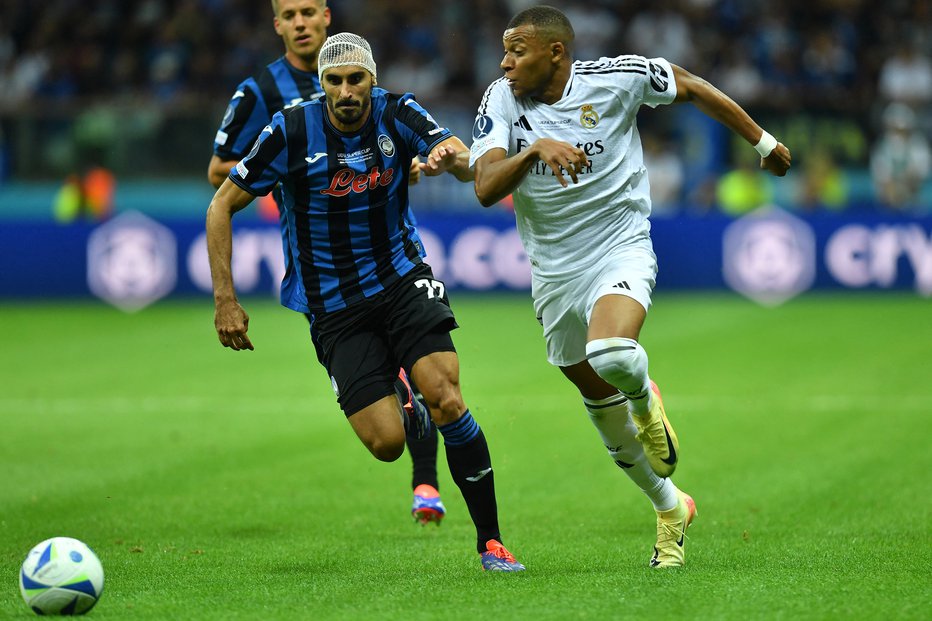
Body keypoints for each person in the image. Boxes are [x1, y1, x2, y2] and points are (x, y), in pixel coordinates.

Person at [470, 5, 791, 568]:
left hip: (619, 244)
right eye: (504, 51)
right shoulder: (501, 99)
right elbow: (485, 185)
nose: (505, 62)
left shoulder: (617, 78)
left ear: (555, 53)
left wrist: (762, 142)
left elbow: (690, 86)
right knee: (598, 403)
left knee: (612, 351)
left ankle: (646, 399)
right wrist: (534, 149)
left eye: (516, 51)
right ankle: (671, 508)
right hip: (551, 270)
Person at [206, 33, 525, 572]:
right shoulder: (289, 128)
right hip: (334, 306)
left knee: (446, 393)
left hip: (402, 279)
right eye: (335, 80)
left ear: (371, 79)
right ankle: (405, 399)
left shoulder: (398, 111)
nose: (347, 90)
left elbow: (466, 161)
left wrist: (453, 159)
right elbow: (221, 206)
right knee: (386, 444)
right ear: (323, 84)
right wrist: (225, 300)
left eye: (357, 79)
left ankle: (491, 541)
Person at [207, 0, 445, 526]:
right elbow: (219, 173)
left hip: (385, 251)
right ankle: (406, 436)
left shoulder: (367, 89)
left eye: (308, 11)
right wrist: (283, 164)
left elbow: (407, 142)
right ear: (277, 25)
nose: (300, 22)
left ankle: (425, 481)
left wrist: (406, 160)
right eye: (289, 14)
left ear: (326, 18)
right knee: (388, 418)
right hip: (320, 261)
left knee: (427, 373)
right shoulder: (260, 96)